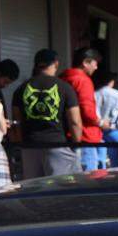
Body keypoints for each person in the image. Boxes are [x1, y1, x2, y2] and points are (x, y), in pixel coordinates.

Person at [11, 49, 83, 179]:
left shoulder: (21, 89)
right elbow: (75, 121)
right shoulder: (65, 87)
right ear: (56, 63)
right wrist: (76, 145)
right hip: (57, 145)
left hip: (30, 146)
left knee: (33, 190)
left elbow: (17, 122)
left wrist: (22, 144)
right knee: (60, 188)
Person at [60, 47, 103, 171]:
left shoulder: (62, 78)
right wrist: (100, 122)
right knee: (89, 179)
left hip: (65, 135)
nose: (96, 67)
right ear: (85, 62)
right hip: (84, 136)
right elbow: (87, 110)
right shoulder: (83, 80)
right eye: (95, 63)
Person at [94, 70, 118, 168]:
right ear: (111, 81)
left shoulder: (94, 94)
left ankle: (101, 179)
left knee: (100, 160)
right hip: (115, 129)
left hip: (99, 128)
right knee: (116, 160)